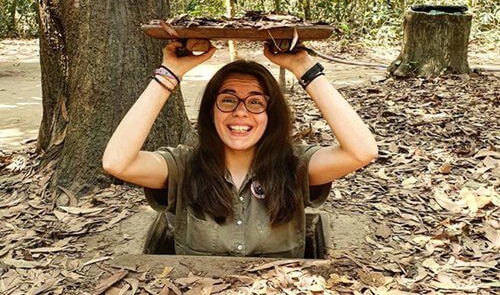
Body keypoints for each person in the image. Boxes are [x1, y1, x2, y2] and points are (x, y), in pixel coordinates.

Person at [102, 41, 378, 258]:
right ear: (211, 111)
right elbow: (117, 162)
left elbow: (362, 151)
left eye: (255, 102)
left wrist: (304, 67)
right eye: (228, 100)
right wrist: (169, 75)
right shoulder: (183, 166)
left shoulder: (294, 166)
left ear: (272, 114)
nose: (241, 113)